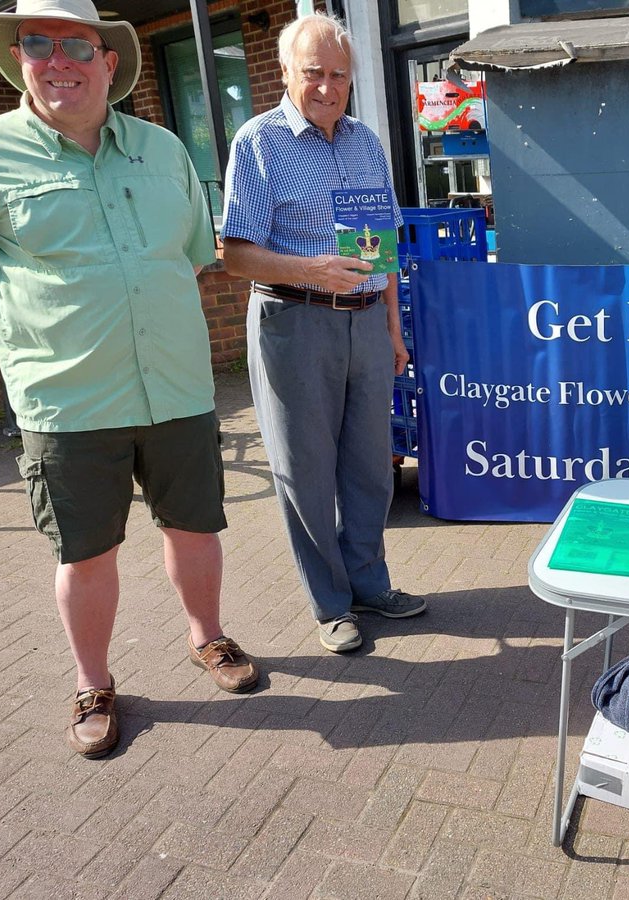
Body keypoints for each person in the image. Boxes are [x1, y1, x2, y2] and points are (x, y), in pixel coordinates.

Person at [0, 0, 258, 760]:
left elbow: (187, 253)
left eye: (76, 45)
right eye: (39, 44)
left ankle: (206, 637)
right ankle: (92, 681)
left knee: (197, 527)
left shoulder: (163, 149)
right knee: (84, 553)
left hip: (175, 385)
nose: (59, 60)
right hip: (69, 399)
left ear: (109, 61)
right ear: (19, 57)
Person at [222, 13, 425, 655]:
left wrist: (394, 331)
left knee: (370, 466)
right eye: (314, 72)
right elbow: (235, 255)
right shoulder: (258, 143)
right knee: (305, 470)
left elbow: (385, 246)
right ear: (286, 72)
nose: (327, 86)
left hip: (366, 326)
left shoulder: (366, 142)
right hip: (294, 322)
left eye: (339, 75)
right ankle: (331, 603)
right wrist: (312, 269)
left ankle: (369, 584)